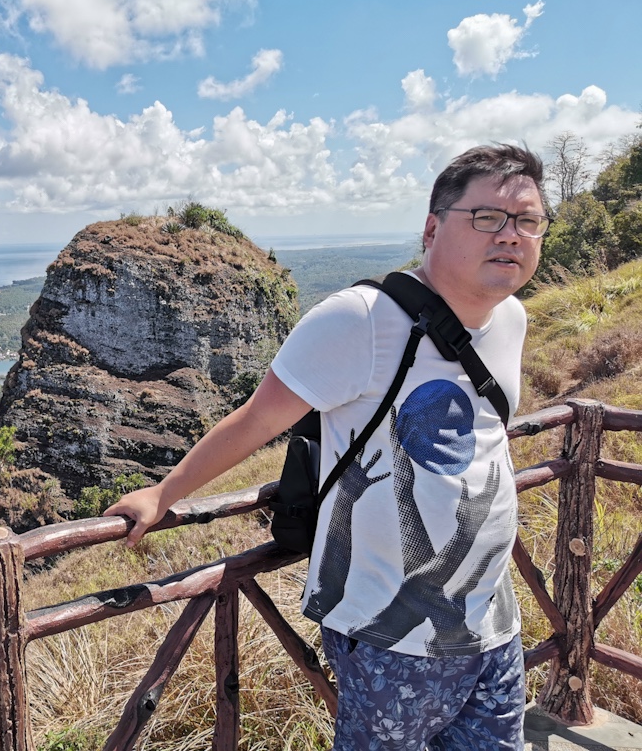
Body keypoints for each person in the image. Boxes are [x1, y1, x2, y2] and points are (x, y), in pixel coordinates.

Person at [105, 143, 548, 750]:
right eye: (488, 217)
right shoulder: (360, 320)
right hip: (389, 638)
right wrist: (164, 493)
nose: (512, 235)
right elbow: (256, 420)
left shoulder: (512, 319)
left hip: (492, 622)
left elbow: (484, 441)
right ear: (431, 226)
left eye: (528, 220)